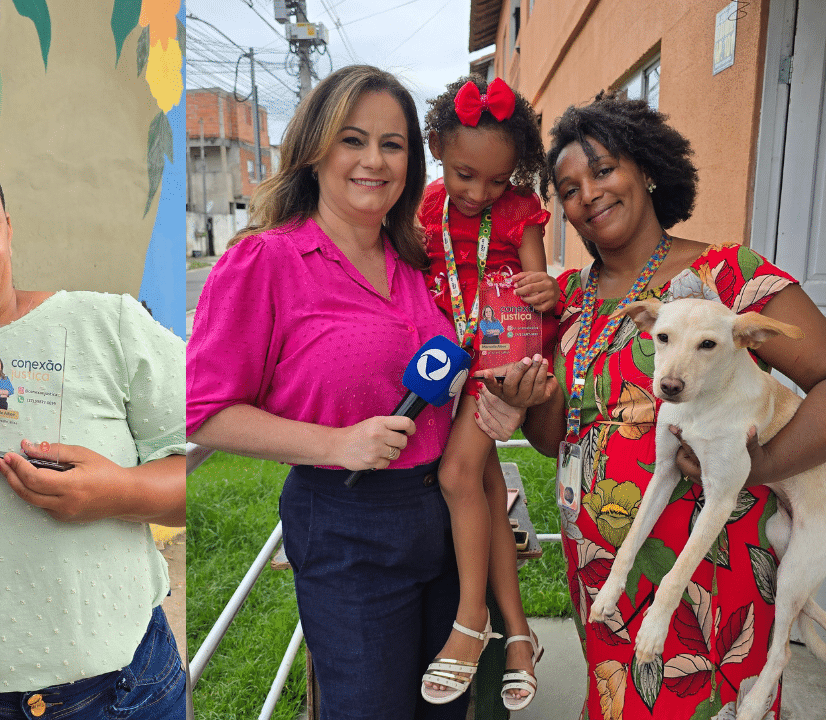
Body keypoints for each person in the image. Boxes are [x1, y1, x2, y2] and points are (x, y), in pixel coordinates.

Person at [477, 93, 826, 719]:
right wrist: (531, 401)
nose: (589, 193)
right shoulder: (574, 300)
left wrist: (764, 464)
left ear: (646, 170)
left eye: (604, 169)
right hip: (602, 577)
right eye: (569, 187)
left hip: (711, 575)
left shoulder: (728, 274)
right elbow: (562, 439)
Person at [187, 64, 468, 720]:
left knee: (446, 710)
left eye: (392, 145)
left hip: (446, 519)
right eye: (352, 139)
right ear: (314, 151)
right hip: (348, 527)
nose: (374, 160)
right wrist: (337, 442)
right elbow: (204, 410)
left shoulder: (415, 265)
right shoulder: (267, 261)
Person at [0, 142, 188, 719]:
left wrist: (120, 493)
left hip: (126, 694)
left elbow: (204, 471)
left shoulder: (105, 325)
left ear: (8, 229)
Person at [416, 75, 555, 710]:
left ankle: (471, 622)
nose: (480, 192)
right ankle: (520, 635)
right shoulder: (425, 208)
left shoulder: (521, 208)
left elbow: (536, 281)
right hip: (447, 359)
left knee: (456, 474)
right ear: (439, 147)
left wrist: (545, 289)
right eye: (467, 175)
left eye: (497, 180)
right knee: (487, 482)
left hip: (501, 358)